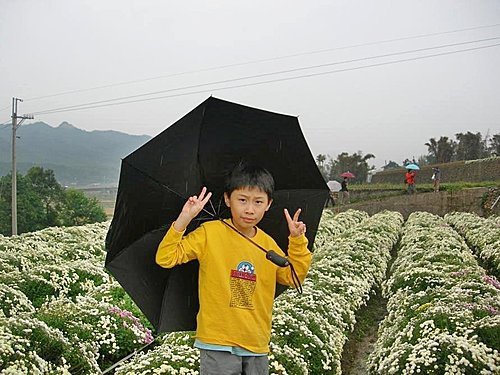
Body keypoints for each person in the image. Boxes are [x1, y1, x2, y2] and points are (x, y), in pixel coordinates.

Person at [155, 163, 312, 375]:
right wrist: (185, 218)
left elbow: (293, 279)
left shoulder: (267, 244)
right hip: (217, 339)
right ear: (228, 199)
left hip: (256, 340)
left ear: (268, 204)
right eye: (242, 200)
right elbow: (166, 258)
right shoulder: (209, 233)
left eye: (258, 202)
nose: (250, 209)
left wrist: (297, 241)